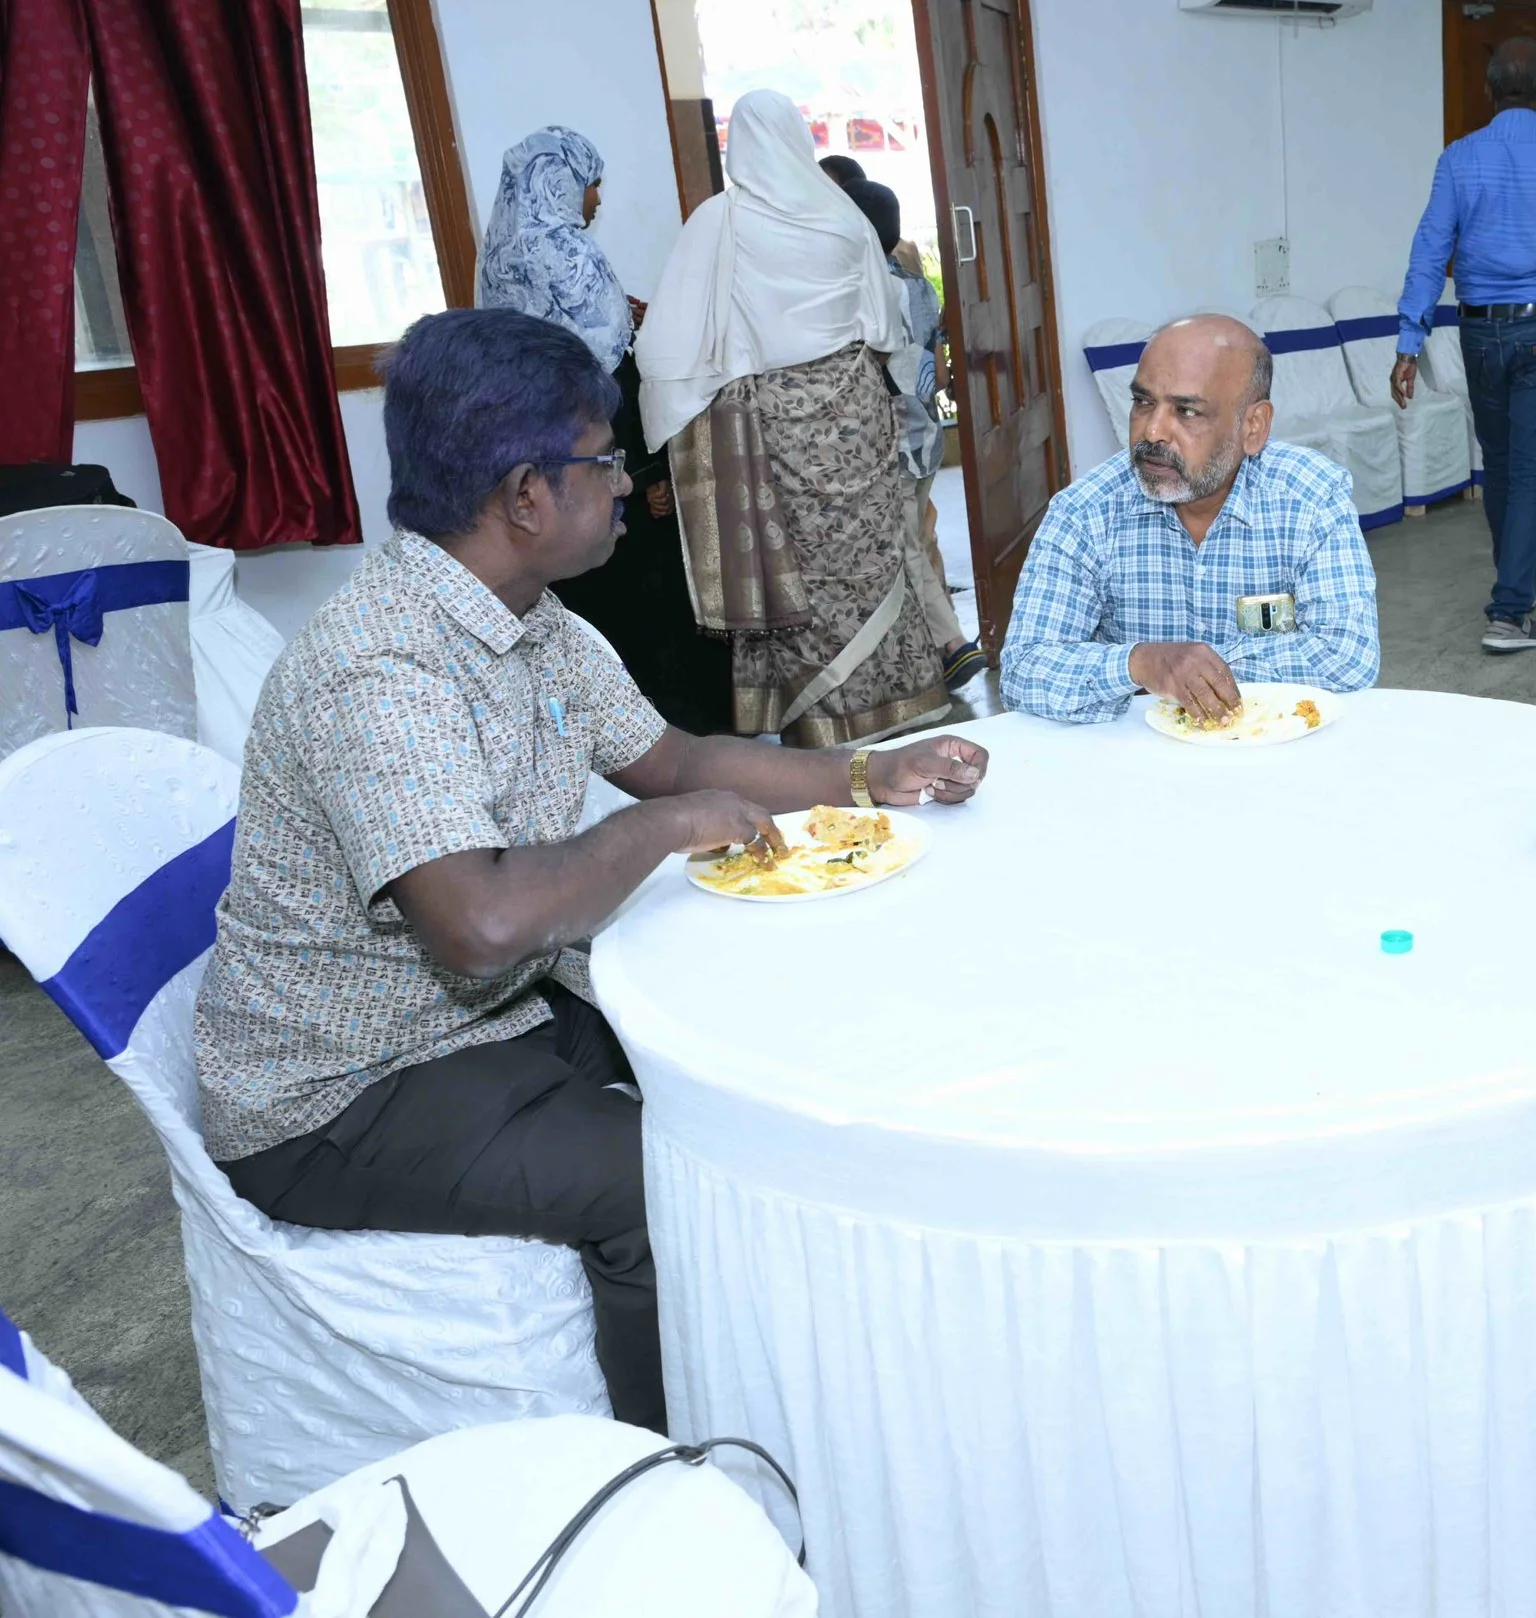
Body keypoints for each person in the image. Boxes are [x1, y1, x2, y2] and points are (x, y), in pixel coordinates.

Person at [196, 307, 990, 1432]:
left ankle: (829, 1348)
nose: (627, 482)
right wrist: (654, 833)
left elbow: (674, 759)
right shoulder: (380, 664)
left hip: (485, 1016)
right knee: (661, 1186)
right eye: (605, 459)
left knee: (764, 1054)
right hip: (342, 1087)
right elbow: (475, 923)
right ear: (528, 493)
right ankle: (689, 1472)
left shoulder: (536, 620)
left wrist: (869, 771)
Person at [639, 90, 948, 746]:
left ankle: (821, 724)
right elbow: (886, 325)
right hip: (856, 412)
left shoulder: (719, 223)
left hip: (771, 426)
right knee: (870, 558)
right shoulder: (842, 218)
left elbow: (663, 345)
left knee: (799, 572)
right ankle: (897, 703)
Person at [475, 126, 734, 735]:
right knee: (647, 596)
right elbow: (606, 376)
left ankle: (599, 738)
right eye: (592, 186)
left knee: (584, 601)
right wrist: (645, 474)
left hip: (538, 464)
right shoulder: (566, 251)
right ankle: (679, 736)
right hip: (601, 455)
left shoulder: (500, 252)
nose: (596, 201)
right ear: (562, 182)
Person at [1000, 314, 1380, 725]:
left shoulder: (1311, 498)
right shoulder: (1086, 513)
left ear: (1253, 427)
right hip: (1139, 762)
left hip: (1270, 750)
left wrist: (1196, 670)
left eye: (1187, 411)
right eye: (1143, 403)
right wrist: (1142, 663)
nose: (1153, 432)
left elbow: (1349, 657)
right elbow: (1023, 671)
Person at [1389, 37, 1536, 655]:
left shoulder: (1459, 159)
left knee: (1500, 465)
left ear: (1489, 90)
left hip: (1479, 331)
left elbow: (1428, 253)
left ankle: (1513, 592)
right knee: (1530, 473)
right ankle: (1511, 610)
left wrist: (1408, 344)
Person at [824, 167, 985, 692]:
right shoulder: (919, 287)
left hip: (888, 439)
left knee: (906, 547)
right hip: (927, 437)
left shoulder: (861, 292)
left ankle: (952, 645)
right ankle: (936, 647)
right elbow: (937, 374)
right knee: (917, 537)